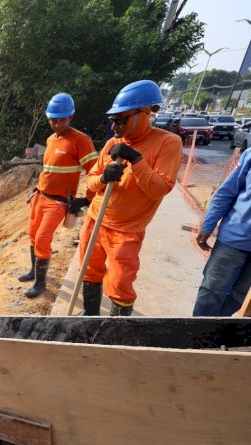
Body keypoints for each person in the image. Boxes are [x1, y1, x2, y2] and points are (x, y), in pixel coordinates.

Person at [78, 80, 182, 316]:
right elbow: (91, 181)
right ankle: (90, 316)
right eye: (112, 120)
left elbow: (159, 189)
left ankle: (116, 329)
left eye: (120, 119)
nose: (114, 125)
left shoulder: (167, 143)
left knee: (119, 283)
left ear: (144, 114)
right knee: (89, 269)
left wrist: (136, 160)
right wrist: (104, 178)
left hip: (126, 230)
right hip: (96, 219)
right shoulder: (112, 143)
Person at [19, 93, 98, 298]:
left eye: (60, 119)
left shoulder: (81, 140)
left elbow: (94, 171)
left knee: (43, 239)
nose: (56, 123)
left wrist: (87, 198)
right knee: (33, 235)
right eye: (53, 119)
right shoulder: (51, 140)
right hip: (41, 196)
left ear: (70, 117)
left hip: (58, 201)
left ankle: (40, 283)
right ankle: (32, 271)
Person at [192, 148, 251, 316]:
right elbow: (226, 191)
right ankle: (197, 337)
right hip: (234, 239)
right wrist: (208, 224)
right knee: (211, 292)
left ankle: (217, 334)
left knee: (240, 297)